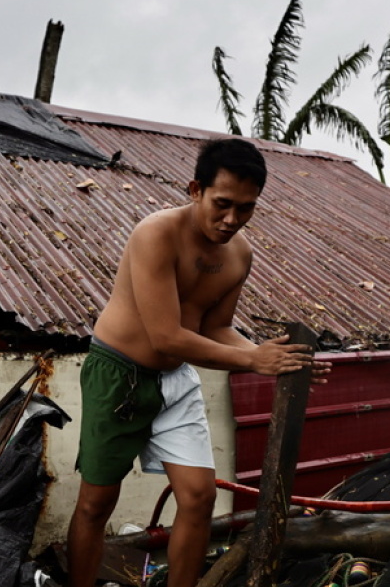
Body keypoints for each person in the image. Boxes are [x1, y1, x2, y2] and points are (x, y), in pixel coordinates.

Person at [66, 138, 331, 587]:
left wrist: (281, 358)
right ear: (195, 190)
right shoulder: (156, 233)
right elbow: (165, 335)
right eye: (223, 204)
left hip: (175, 379)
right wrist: (255, 361)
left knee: (199, 497)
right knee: (96, 503)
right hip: (118, 374)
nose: (232, 220)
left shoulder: (239, 254)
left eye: (245, 209)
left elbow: (216, 328)